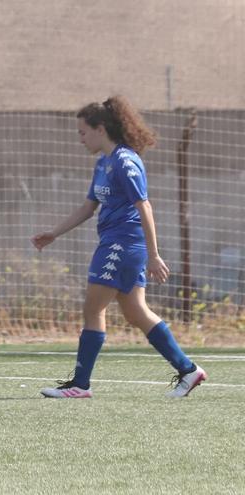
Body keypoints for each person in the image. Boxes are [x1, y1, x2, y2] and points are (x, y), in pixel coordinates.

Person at [32, 95, 206, 399]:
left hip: (122, 244)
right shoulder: (104, 163)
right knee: (136, 312)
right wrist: (54, 233)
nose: (80, 139)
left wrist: (153, 255)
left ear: (101, 129)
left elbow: (145, 207)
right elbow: (88, 208)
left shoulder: (125, 162)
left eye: (83, 132)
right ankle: (188, 370)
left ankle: (80, 385)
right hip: (116, 242)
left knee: (93, 307)